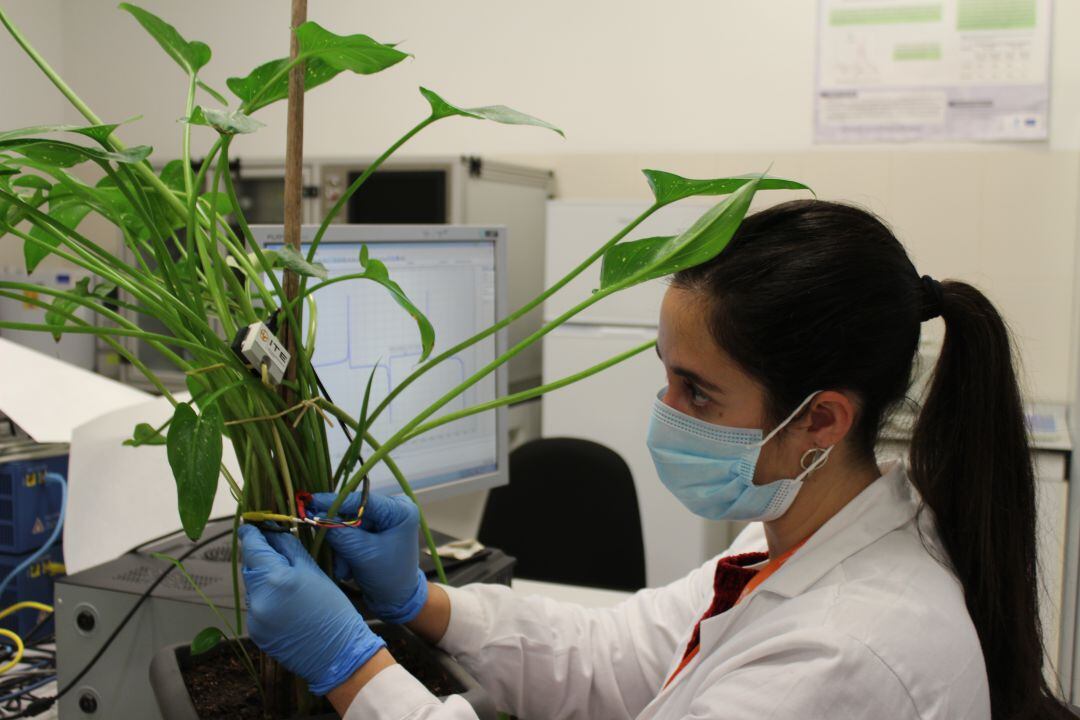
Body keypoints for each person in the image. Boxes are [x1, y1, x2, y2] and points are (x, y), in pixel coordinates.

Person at [238, 200, 1073, 720]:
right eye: (664, 378)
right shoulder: (787, 537)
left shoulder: (843, 659)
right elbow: (619, 656)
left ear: (820, 418)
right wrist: (422, 603)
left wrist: (356, 671)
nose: (664, 414)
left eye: (698, 392)